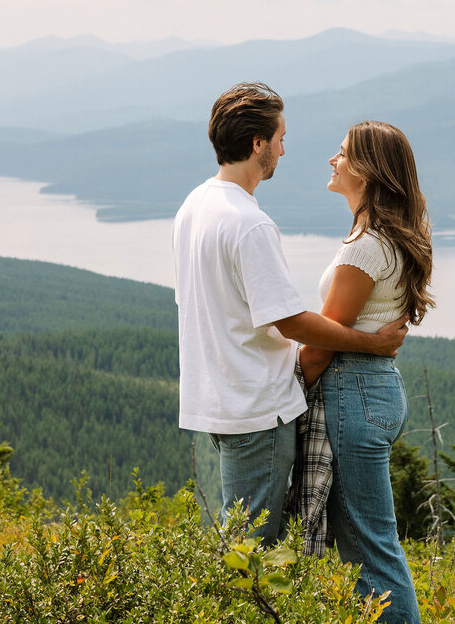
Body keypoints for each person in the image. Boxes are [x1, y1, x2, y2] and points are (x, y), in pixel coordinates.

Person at [172, 83, 409, 547]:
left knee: (239, 538)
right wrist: (373, 343)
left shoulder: (194, 206)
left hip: (219, 399)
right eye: (280, 137)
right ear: (258, 143)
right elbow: (292, 322)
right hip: (258, 405)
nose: (284, 148)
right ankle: (247, 621)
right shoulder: (250, 223)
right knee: (252, 551)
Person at [298, 121, 434, 624]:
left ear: (367, 170)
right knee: (368, 542)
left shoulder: (365, 247)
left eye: (341, 153)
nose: (332, 161)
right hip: (374, 388)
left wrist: (287, 395)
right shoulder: (390, 238)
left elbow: (322, 342)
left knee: (371, 545)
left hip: (353, 393)